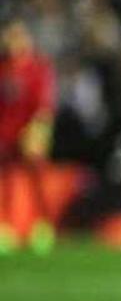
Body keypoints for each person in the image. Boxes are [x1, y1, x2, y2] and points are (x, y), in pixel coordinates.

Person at [0, 18, 57, 256]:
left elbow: (44, 105)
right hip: (5, 133)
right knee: (5, 183)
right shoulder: (3, 68)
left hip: (29, 133)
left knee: (37, 183)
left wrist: (38, 132)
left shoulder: (38, 68)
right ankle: (5, 228)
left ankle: (42, 227)